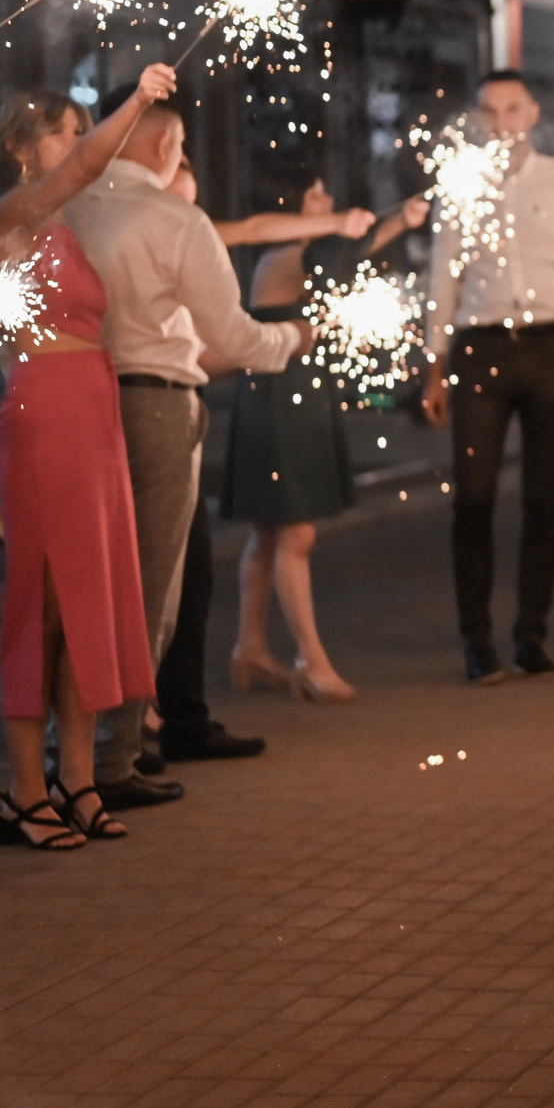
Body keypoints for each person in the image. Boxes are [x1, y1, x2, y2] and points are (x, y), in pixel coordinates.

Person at [62, 102, 313, 807]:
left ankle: (69, 747)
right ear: (168, 142)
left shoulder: (68, 203)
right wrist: (293, 338)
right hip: (153, 400)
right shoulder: (175, 220)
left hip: (71, 396)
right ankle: (112, 757)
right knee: (149, 586)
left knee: (86, 580)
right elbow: (232, 336)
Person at [0, 71, 177, 847]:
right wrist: (138, 102)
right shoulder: (11, 215)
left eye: (78, 129)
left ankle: (79, 778)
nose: (76, 143)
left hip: (92, 407)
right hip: (45, 410)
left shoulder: (65, 228)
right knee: (45, 601)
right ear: (21, 149)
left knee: (89, 598)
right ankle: (25, 790)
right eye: (63, 129)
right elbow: (86, 168)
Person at [423, 71, 554, 683]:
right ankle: (476, 639)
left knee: (544, 498)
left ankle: (530, 634)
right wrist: (433, 364)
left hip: (550, 347)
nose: (502, 121)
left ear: (533, 113)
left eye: (512, 108)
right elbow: (443, 277)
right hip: (481, 347)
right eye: (489, 111)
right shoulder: (461, 186)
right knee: (475, 497)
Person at [161, 157, 370, 754]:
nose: (183, 177)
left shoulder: (194, 228)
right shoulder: (155, 226)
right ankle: (306, 660)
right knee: (275, 535)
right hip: (262, 399)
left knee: (260, 538)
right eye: (173, 159)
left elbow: (252, 228)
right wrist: (289, 341)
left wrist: (380, 222)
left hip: (247, 396)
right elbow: (252, 242)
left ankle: (247, 650)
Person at [221, 168, 424, 701]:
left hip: (292, 393)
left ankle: (250, 649)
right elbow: (341, 257)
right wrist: (397, 221)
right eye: (313, 196)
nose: (328, 201)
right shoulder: (288, 255)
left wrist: (400, 220)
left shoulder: (302, 254)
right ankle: (311, 660)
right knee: (295, 530)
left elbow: (344, 255)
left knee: (270, 530)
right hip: (279, 397)